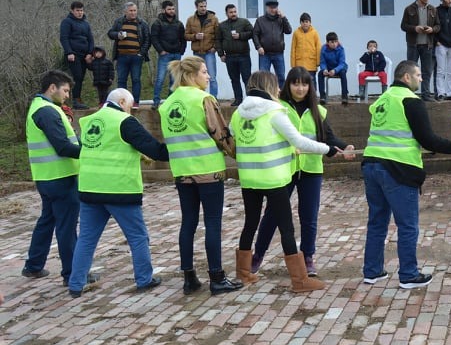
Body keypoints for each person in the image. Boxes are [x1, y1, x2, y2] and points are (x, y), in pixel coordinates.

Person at [231, 71, 335, 291]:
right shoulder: (275, 111)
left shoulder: (238, 113)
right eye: (276, 86)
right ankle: (300, 280)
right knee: (287, 228)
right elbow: (298, 141)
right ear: (268, 87)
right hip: (273, 177)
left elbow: (231, 138)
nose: (279, 90)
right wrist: (328, 149)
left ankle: (243, 273)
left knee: (250, 223)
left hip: (248, 177)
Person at [362, 60, 451, 288]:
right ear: (406, 77)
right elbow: (427, 139)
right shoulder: (410, 101)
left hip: (371, 164)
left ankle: (372, 271)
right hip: (398, 168)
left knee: (377, 222)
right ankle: (408, 274)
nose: (421, 78)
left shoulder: (382, 100)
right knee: (407, 225)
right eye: (418, 75)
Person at [249, 67, 355, 277]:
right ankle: (258, 255)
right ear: (287, 85)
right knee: (272, 214)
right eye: (295, 83)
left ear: (310, 86)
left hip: (311, 169)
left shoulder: (319, 111)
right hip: (284, 169)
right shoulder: (277, 108)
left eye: (304, 84)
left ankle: (307, 257)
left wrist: (345, 147)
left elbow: (328, 138)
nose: (300, 88)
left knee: (309, 216)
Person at [68, 88, 168, 297]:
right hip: (119, 189)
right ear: (122, 102)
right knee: (138, 237)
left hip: (89, 189)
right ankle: (144, 279)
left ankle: (75, 284)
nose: (131, 111)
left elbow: (106, 149)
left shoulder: (89, 121)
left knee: (86, 239)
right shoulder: (125, 122)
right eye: (130, 106)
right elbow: (155, 150)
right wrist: (181, 149)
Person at [159, 56, 242, 295]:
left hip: (182, 171)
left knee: (188, 222)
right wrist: (237, 153)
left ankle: (189, 278)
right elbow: (220, 132)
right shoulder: (203, 99)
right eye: (204, 72)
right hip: (207, 170)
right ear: (191, 75)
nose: (208, 76)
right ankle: (217, 277)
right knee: (212, 222)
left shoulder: (167, 104)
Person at [23, 70, 82, 284]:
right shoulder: (47, 111)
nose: (67, 95)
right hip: (60, 177)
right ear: (52, 88)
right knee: (66, 226)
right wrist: (90, 151)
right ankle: (72, 274)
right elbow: (63, 146)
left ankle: (33, 265)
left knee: (47, 220)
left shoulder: (39, 107)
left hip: (46, 177)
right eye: (65, 90)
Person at [400, 0, 441, 102]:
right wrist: (415, 28)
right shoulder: (409, 9)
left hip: (428, 44)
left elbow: (438, 26)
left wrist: (432, 29)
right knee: (411, 70)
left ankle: (426, 94)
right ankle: (410, 94)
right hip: (413, 44)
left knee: (426, 71)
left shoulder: (433, 9)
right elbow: (403, 26)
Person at [108, 2, 150, 108]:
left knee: (136, 80)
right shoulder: (119, 22)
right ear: (125, 11)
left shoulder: (142, 23)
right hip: (122, 56)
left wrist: (141, 53)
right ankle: (122, 102)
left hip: (136, 56)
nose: (133, 13)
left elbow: (147, 40)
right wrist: (117, 35)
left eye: (134, 10)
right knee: (121, 80)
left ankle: (135, 102)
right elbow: (110, 33)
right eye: (131, 11)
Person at [150, 0, 186, 110]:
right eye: (169, 9)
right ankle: (156, 101)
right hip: (164, 55)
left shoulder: (179, 24)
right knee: (160, 79)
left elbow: (183, 39)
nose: (171, 11)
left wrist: (181, 51)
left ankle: (171, 101)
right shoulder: (157, 23)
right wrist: (161, 51)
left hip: (176, 55)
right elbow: (154, 38)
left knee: (174, 80)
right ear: (163, 10)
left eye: (173, 9)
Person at [217, 4, 253, 106]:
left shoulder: (244, 22)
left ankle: (250, 99)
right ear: (226, 13)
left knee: (247, 78)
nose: (233, 14)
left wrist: (240, 35)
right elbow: (218, 40)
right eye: (231, 12)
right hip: (230, 57)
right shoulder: (222, 25)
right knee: (234, 79)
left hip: (243, 55)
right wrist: (221, 54)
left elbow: (252, 32)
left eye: (234, 12)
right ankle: (238, 99)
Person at [59, 1, 94, 110]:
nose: (80, 13)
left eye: (81, 10)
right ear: (72, 10)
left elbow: (91, 39)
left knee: (81, 77)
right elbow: (64, 38)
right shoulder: (67, 22)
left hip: (84, 54)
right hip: (73, 54)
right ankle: (75, 100)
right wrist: (69, 52)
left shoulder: (85, 24)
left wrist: (90, 53)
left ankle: (78, 99)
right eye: (77, 10)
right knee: (76, 76)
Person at [184, 0, 220, 98]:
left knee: (212, 77)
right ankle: (199, 98)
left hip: (209, 52)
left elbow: (218, 35)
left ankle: (213, 99)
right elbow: (186, 35)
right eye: (201, 6)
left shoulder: (213, 19)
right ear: (196, 7)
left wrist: (215, 48)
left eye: (205, 6)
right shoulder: (190, 20)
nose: (203, 8)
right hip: (197, 53)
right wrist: (195, 36)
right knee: (197, 77)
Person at [253, 0, 292, 88]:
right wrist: (258, 47)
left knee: (281, 77)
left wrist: (283, 17)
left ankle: (281, 95)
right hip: (264, 54)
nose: (273, 10)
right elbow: (255, 34)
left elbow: (288, 31)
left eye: (274, 8)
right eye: (271, 8)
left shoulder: (281, 20)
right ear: (267, 8)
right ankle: (265, 95)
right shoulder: (260, 20)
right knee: (263, 78)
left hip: (278, 53)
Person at [290, 12, 321, 89]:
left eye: (307, 22)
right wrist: (293, 64)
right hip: (299, 63)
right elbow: (293, 49)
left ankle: (313, 95)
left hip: (311, 63)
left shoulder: (314, 33)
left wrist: (318, 62)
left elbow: (318, 47)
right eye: (303, 22)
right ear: (300, 23)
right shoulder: (296, 33)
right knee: (300, 82)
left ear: (310, 22)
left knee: (312, 81)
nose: (305, 24)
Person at [318, 32, 349, 105]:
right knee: (320, 74)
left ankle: (344, 96)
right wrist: (324, 69)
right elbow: (322, 62)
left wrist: (335, 70)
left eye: (336, 41)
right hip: (329, 68)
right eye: (332, 42)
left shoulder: (341, 49)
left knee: (343, 73)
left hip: (339, 68)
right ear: (327, 42)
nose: (334, 44)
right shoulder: (323, 49)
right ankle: (322, 97)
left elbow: (342, 63)